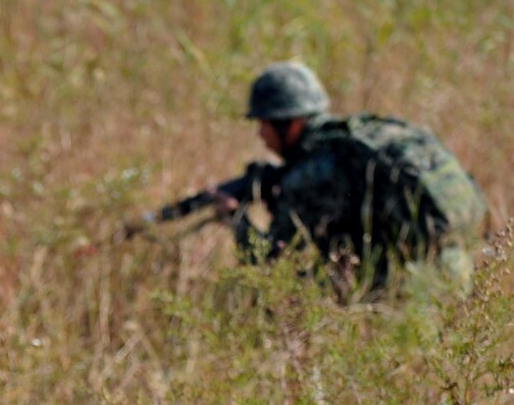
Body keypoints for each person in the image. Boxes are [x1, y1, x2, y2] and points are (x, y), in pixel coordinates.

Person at [145, 60, 488, 298]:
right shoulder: (358, 141)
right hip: (457, 269)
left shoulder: (313, 175)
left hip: (407, 293)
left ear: (290, 123)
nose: (260, 134)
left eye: (263, 122)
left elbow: (268, 268)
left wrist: (236, 221)